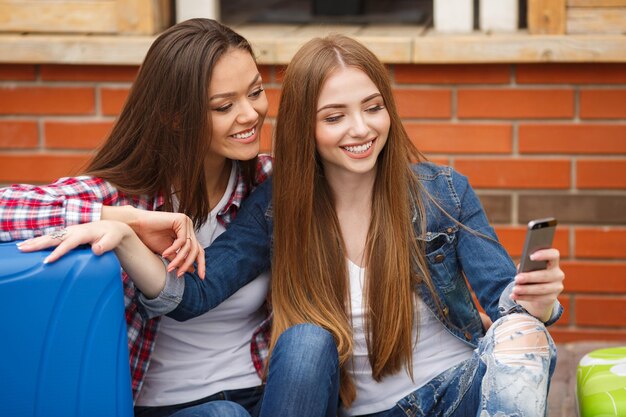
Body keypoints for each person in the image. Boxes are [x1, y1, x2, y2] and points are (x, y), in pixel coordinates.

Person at [18, 34, 566, 416]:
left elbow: (508, 306)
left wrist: (536, 307)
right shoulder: (277, 202)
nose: (360, 129)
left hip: (451, 395)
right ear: (307, 125)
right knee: (304, 341)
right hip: (290, 405)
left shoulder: (438, 190)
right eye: (334, 117)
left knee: (522, 339)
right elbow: (193, 293)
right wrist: (124, 222)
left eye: (373, 107)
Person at [1, 18, 274, 417]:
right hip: (164, 406)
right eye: (224, 106)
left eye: (256, 92)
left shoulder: (266, 182)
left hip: (263, 393)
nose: (250, 114)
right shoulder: (126, 193)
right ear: (175, 117)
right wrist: (125, 220)